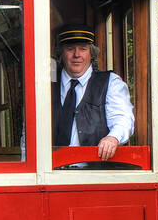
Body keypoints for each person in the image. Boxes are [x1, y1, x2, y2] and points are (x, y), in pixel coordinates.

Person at [51, 27, 135, 160]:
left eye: (83, 49)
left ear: (92, 53)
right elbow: (29, 134)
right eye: (70, 49)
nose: (77, 54)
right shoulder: (45, 86)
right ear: (61, 53)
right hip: (51, 173)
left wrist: (112, 138)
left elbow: (123, 118)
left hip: (94, 171)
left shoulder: (111, 82)